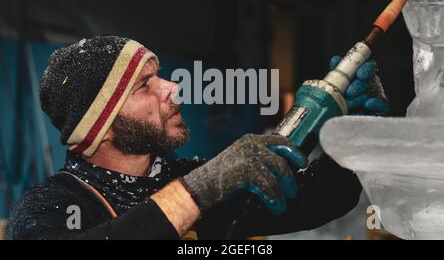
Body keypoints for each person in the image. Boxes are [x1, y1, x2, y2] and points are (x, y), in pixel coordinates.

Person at [6, 36, 388, 240]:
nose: (173, 87)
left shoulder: (188, 178)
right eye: (144, 85)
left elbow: (324, 199)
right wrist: (200, 190)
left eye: (160, 75)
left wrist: (360, 129)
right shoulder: (50, 206)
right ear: (99, 127)